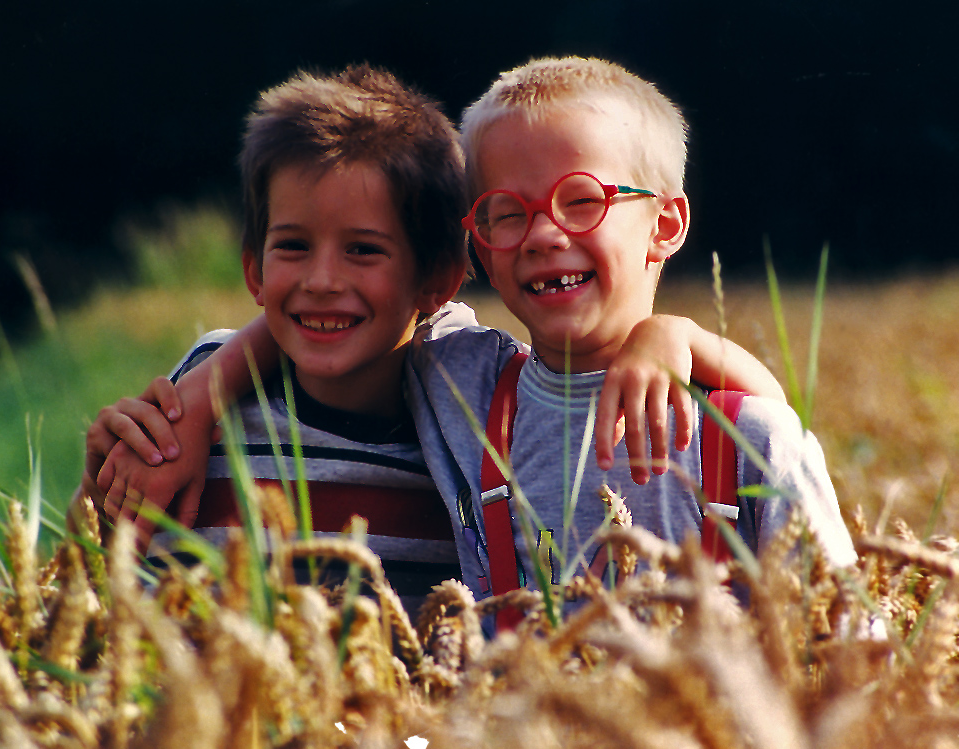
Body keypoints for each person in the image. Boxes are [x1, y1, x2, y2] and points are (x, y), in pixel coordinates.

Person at [80, 60, 795, 618]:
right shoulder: (212, 378)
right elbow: (100, 555)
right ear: (252, 269)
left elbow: (769, 429)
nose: (324, 280)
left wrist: (672, 336)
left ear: (439, 283)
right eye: (293, 246)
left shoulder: (459, 387)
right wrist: (190, 406)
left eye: (363, 250)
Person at [401, 56, 856, 614]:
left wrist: (676, 333)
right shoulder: (460, 384)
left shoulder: (745, 438)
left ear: (665, 225)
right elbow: (339, 310)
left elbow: (847, 644)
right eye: (507, 213)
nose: (543, 234)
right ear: (481, 244)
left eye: (583, 201)